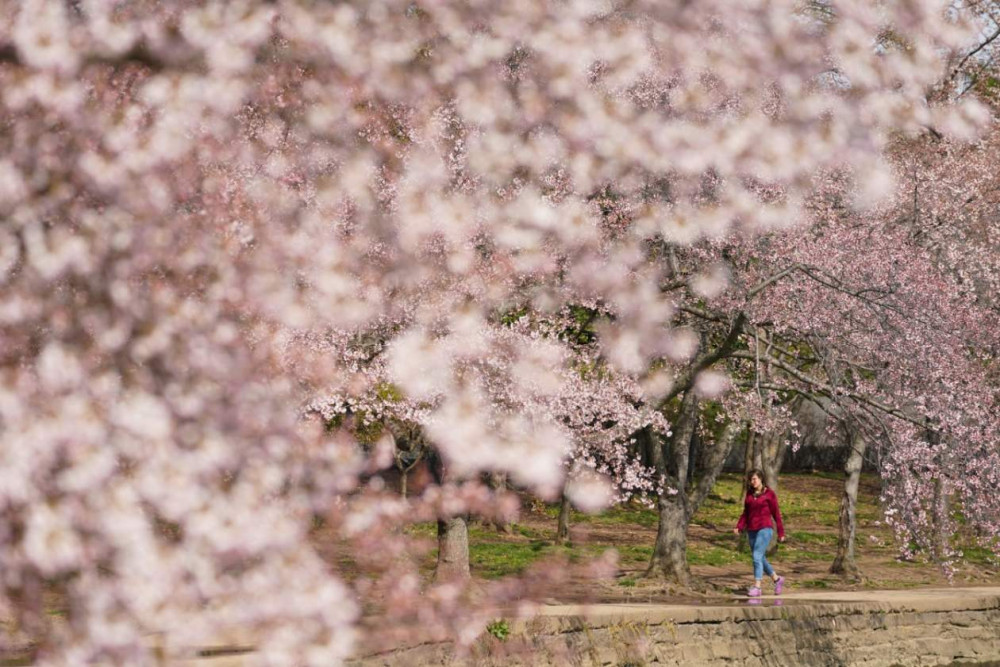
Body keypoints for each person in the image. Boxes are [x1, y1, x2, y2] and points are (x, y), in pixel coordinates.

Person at [733, 469, 785, 597]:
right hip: (752, 530)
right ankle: (777, 580)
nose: (752, 482)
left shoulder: (770, 494)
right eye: (751, 479)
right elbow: (746, 513)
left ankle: (757, 587)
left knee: (756, 556)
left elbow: (776, 514)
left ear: (761, 479)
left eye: (755, 479)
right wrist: (739, 526)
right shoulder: (750, 495)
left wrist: (781, 532)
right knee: (760, 557)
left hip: (765, 529)